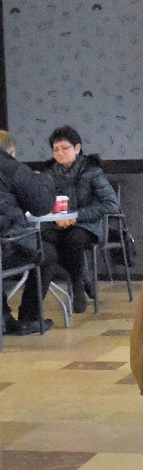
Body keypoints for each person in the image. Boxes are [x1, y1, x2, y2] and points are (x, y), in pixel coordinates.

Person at [42, 126, 119, 314]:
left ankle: (77, 287)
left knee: (73, 240)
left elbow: (111, 205)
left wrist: (76, 216)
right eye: (56, 149)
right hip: (58, 224)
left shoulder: (92, 171)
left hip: (87, 225)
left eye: (65, 148)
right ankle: (84, 277)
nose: (60, 153)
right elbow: (43, 202)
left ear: (77, 148)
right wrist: (54, 216)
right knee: (45, 241)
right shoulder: (49, 173)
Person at [0, 130, 58, 335]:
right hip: (7, 247)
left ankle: (4, 317)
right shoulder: (13, 169)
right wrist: (43, 181)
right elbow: (41, 206)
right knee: (47, 253)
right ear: (12, 151)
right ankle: (29, 317)